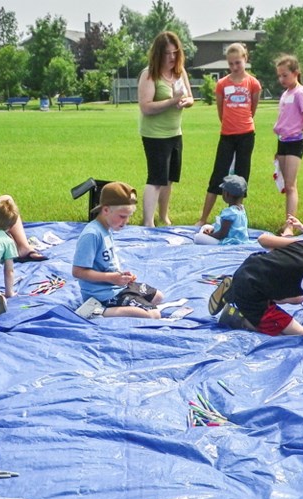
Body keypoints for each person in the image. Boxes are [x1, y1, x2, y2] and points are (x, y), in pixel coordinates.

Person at [207, 237, 303, 351]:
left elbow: (262, 239)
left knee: (298, 299)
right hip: (252, 292)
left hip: (249, 268)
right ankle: (240, 317)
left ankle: (236, 289)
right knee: (298, 336)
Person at [72, 182, 164, 319]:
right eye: (122, 216)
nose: (125, 222)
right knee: (154, 315)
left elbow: (104, 263)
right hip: (101, 294)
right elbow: (78, 272)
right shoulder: (92, 234)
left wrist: (121, 275)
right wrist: (112, 278)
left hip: (114, 286)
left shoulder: (105, 229)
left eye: (128, 216)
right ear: (106, 210)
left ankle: (121, 302)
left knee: (158, 297)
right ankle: (96, 310)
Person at [195, 43, 261, 227]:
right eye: (230, 63)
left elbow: (253, 108)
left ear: (245, 59)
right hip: (227, 135)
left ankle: (238, 219)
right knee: (218, 175)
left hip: (246, 135)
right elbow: (220, 110)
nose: (234, 67)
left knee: (241, 177)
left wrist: (243, 122)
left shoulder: (253, 83)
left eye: (237, 63)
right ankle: (203, 218)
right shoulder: (222, 84)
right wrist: (229, 125)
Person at [138, 31, 194, 227]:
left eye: (175, 53)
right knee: (156, 178)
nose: (172, 57)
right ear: (158, 54)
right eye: (167, 53)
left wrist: (185, 102)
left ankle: (164, 216)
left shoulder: (180, 72)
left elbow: (190, 98)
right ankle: (148, 222)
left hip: (174, 133)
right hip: (155, 135)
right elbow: (145, 107)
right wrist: (172, 101)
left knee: (169, 178)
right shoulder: (149, 74)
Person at [273, 55, 303, 220]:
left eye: (285, 75)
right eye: (279, 75)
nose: (281, 79)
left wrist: (296, 129)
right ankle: (288, 220)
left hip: (295, 142)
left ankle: (290, 225)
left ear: (296, 73)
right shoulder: (286, 94)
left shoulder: (300, 93)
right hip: (282, 142)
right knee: (287, 185)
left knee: (291, 186)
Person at [193, 175, 250, 246]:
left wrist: (209, 235)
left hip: (228, 242)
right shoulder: (241, 209)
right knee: (207, 226)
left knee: (197, 237)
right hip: (241, 240)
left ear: (227, 194)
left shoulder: (229, 213)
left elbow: (222, 234)